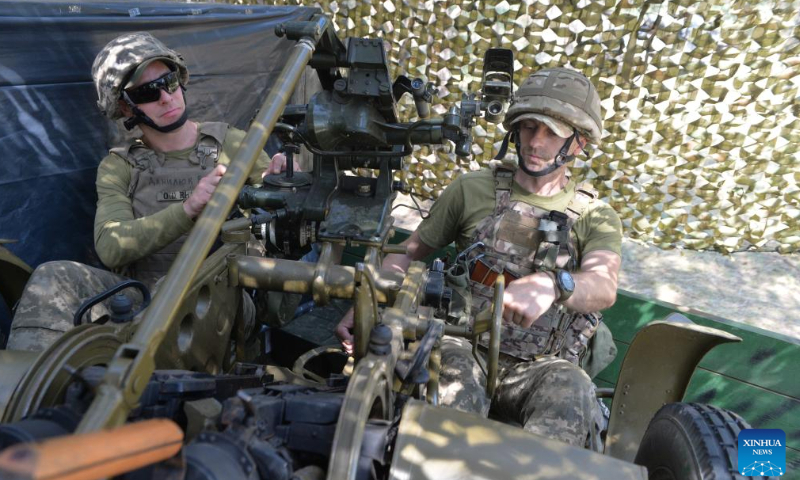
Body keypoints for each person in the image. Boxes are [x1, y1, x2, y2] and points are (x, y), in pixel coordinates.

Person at [336, 67, 622, 448]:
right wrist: (368, 299)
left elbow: (603, 286)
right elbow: (409, 253)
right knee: (449, 397)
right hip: (462, 344)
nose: (536, 142)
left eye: (552, 132)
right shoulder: (472, 189)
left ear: (579, 143)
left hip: (541, 366)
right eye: (528, 127)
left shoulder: (595, 215)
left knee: (572, 394)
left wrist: (554, 285)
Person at [7, 32, 277, 351]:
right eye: (148, 91)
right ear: (125, 106)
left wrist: (283, 179)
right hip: (143, 298)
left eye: (169, 80)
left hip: (222, 299)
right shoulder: (120, 166)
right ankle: (26, 392)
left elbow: (283, 206)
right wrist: (189, 208)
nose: (165, 97)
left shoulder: (231, 143)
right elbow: (110, 246)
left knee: (176, 288)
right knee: (52, 277)